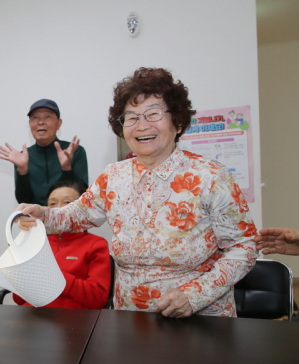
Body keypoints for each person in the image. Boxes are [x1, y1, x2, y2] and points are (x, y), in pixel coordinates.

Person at [16, 68, 257, 318]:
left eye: (153, 113)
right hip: (131, 319)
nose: (142, 126)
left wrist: (195, 294)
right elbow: (76, 215)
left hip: (201, 317)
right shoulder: (113, 176)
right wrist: (41, 214)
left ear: (178, 121)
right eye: (131, 117)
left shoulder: (210, 176)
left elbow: (245, 246)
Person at [13, 180, 111, 309]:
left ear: (81, 210)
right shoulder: (35, 243)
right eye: (52, 203)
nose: (59, 208)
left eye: (68, 203)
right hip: (33, 318)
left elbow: (97, 299)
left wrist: (58, 278)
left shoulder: (96, 244)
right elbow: (18, 299)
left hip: (72, 321)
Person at [0, 99, 89, 206]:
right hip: (36, 220)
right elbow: (24, 201)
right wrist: (22, 171)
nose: (41, 122)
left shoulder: (74, 151)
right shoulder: (23, 157)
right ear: (30, 124)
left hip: (67, 219)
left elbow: (83, 196)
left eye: (47, 117)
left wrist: (66, 168)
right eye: (35, 118)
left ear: (59, 124)